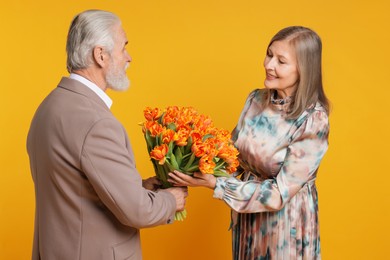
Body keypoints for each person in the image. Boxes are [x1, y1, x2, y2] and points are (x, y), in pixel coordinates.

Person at [27, 9, 187, 260]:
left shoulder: (49, 107)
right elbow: (136, 211)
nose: (129, 57)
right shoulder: (97, 123)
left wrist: (138, 188)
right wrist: (170, 200)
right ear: (100, 55)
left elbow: (76, 190)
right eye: (123, 47)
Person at [169, 26, 329, 259]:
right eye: (269, 54)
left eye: (281, 61)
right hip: (248, 219)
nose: (269, 65)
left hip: (285, 226)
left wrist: (217, 184)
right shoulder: (256, 99)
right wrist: (189, 155)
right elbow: (232, 156)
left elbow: (278, 195)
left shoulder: (313, 120)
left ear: (303, 70)